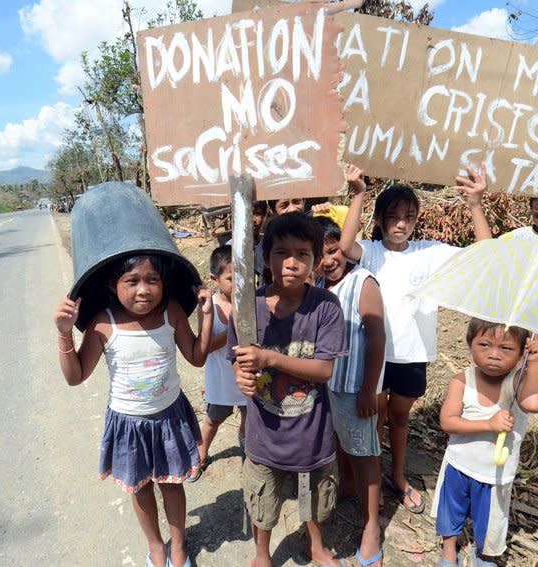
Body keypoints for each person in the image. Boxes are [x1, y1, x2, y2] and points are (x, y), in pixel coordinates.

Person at [338, 163, 492, 515]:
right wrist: (359, 193)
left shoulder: (429, 252)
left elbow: (485, 255)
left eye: (408, 216)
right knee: (374, 418)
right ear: (378, 219)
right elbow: (346, 246)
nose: (401, 223)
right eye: (392, 216)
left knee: (400, 417)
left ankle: (398, 475)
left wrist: (475, 204)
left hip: (412, 355)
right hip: (373, 355)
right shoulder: (371, 252)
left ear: (416, 219)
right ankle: (371, 480)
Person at [54, 253, 213, 567]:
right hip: (128, 424)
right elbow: (76, 376)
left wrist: (206, 317)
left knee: (171, 484)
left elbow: (196, 356)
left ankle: (178, 544)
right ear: (114, 285)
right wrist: (63, 333)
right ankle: (156, 545)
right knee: (140, 488)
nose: (144, 289)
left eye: (152, 280)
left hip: (169, 417)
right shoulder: (103, 323)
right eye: (132, 281)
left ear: (163, 283)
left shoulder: (172, 312)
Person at [228, 212, 349, 567]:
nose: (292, 263)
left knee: (313, 497)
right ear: (266, 257)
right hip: (264, 436)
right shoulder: (247, 307)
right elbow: (236, 357)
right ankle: (262, 553)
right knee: (262, 499)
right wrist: (241, 374)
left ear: (315, 261)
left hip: (311, 433)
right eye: (282, 252)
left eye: (303, 254)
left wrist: (269, 359)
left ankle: (316, 546)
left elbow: (324, 370)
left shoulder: (326, 307)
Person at [432, 319, 538, 567]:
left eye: (506, 349)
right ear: (470, 344)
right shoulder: (462, 380)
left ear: (521, 354)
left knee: (491, 519)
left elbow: (535, 404)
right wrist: (488, 425)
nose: (493, 355)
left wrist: (535, 363)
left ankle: (485, 554)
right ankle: (449, 547)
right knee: (450, 511)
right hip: (459, 464)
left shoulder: (517, 382)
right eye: (484, 344)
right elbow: (448, 422)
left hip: (495, 473)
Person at [315, 216, 386, 567]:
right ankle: (347, 490)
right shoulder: (317, 287)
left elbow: (376, 338)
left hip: (352, 388)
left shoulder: (362, 282)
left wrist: (368, 390)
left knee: (364, 454)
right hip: (325, 387)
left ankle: (372, 525)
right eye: (320, 254)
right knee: (341, 448)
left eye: (333, 251)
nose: (328, 261)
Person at [188, 245, 247, 482]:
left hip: (244, 376)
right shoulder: (209, 306)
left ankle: (247, 447)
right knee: (213, 419)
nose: (237, 283)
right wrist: (236, 329)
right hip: (221, 378)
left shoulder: (248, 301)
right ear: (215, 279)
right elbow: (206, 345)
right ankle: (200, 455)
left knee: (249, 416)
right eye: (231, 278)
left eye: (241, 276)